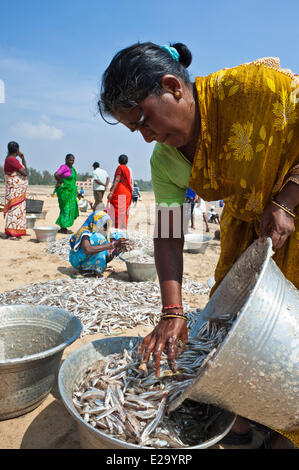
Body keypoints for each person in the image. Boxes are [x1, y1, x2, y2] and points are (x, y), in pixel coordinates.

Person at [98, 42, 299, 448]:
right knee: (234, 328)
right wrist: (171, 311)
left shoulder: (251, 89)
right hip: (249, 229)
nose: (146, 136)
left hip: (292, 207)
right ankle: (239, 425)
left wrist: (288, 198)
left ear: (172, 87)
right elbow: (169, 232)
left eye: (144, 121)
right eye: (135, 130)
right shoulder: (166, 161)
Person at [69, 210, 130, 276]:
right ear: (96, 223)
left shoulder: (104, 237)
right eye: (104, 225)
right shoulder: (85, 232)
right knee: (100, 238)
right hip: (76, 260)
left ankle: (92, 269)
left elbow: (105, 259)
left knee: (113, 239)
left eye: (107, 226)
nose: (105, 229)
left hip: (86, 256)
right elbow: (87, 249)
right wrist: (113, 244)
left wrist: (116, 249)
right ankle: (85, 269)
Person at [3, 141, 28, 240]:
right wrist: (23, 160)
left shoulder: (8, 159)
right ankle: (12, 233)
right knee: (15, 211)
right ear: (17, 150)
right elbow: (25, 172)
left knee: (16, 211)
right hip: (15, 191)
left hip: (15, 191)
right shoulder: (12, 160)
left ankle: (13, 231)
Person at [54, 154, 79, 234]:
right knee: (65, 208)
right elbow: (56, 174)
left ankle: (63, 227)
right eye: (70, 160)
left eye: (73, 160)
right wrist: (61, 182)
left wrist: (78, 193)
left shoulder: (72, 169)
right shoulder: (64, 167)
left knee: (71, 208)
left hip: (71, 192)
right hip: (64, 192)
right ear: (66, 160)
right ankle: (63, 228)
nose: (72, 162)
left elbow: (73, 183)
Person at [107, 154, 133, 229]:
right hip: (127, 192)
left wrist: (111, 192)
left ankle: (116, 227)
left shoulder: (120, 167)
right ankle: (122, 227)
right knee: (123, 211)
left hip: (120, 191)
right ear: (127, 161)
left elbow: (117, 179)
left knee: (116, 210)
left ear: (118, 161)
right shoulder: (128, 169)